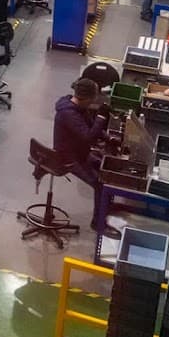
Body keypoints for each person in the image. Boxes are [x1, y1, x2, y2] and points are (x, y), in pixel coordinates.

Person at [53, 78, 118, 239]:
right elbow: (88, 137)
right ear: (87, 98)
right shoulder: (68, 113)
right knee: (99, 184)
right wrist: (101, 118)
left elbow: (89, 126)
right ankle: (98, 223)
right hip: (68, 158)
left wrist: (109, 138)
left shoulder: (79, 107)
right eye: (94, 98)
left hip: (80, 153)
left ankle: (105, 209)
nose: (95, 102)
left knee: (107, 169)